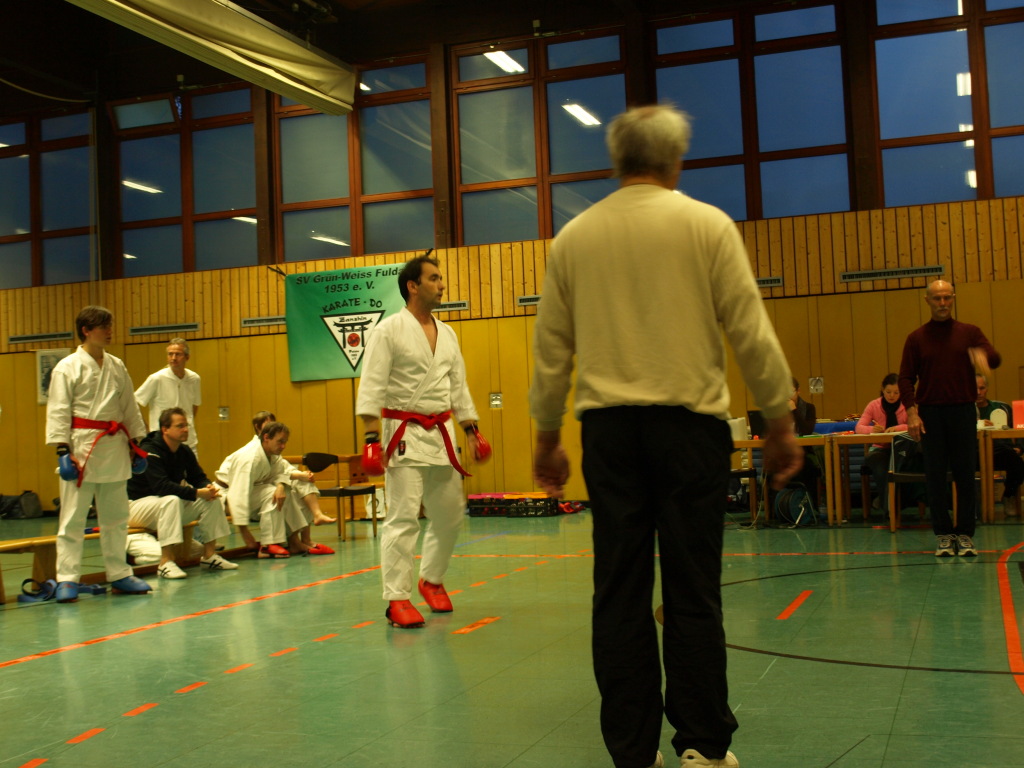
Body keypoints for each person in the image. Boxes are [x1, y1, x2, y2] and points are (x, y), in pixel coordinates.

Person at [529, 105, 802, 768]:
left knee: (618, 592)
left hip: (610, 434)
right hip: (690, 433)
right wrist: (778, 421)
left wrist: (546, 435)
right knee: (693, 590)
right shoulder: (706, 225)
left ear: (616, 160)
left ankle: (632, 751)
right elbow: (751, 332)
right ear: (675, 161)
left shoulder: (575, 238)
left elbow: (552, 348)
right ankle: (703, 746)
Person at [355, 254, 491, 630]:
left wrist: (472, 429)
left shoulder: (448, 333)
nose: (441, 285)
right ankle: (397, 598)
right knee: (403, 518)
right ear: (412, 286)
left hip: (441, 433)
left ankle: (431, 579)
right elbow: (372, 386)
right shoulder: (388, 330)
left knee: (450, 514)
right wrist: (371, 439)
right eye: (434, 278)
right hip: (402, 432)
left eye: (440, 278)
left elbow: (457, 385)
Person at [44, 306, 153, 603]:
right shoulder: (67, 367)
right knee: (72, 519)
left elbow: (129, 406)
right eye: (103, 326)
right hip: (82, 448)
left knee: (117, 517)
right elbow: (58, 409)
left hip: (115, 445)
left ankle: (119, 573)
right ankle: (67, 578)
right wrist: (62, 450)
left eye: (109, 325)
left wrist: (137, 442)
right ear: (86, 330)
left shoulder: (117, 365)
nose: (109, 331)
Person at [898, 279, 1001, 557]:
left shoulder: (969, 333)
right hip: (930, 414)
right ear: (927, 301)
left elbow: (994, 359)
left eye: (947, 297)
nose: (943, 303)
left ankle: (965, 534)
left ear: (953, 298)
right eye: (937, 298)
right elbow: (906, 378)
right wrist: (912, 412)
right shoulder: (916, 338)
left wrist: (984, 357)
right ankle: (943, 534)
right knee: (934, 476)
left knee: (965, 474)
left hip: (963, 411)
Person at [127, 407, 238, 578]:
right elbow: (161, 487)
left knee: (212, 499)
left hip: (165, 505)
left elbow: (198, 477)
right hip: (136, 507)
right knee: (171, 500)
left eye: (186, 425)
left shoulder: (184, 451)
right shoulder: (150, 451)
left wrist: (208, 488)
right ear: (165, 429)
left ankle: (209, 555)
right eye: (180, 426)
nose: (186, 429)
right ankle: (166, 562)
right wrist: (197, 493)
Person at [215, 421, 318, 558]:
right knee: (271, 494)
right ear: (266, 437)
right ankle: (268, 545)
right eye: (280, 441)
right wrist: (246, 534)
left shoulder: (271, 453)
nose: (283, 446)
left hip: (251, 491)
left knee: (285, 491)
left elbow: (280, 473)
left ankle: (294, 541)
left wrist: (280, 486)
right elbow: (238, 494)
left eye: (285, 442)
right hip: (226, 497)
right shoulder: (250, 458)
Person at [250, 410, 337, 529]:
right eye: (268, 424)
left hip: (271, 489)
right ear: (257, 427)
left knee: (303, 482)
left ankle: (317, 516)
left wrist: (302, 475)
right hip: (258, 498)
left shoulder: (273, 449)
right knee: (292, 493)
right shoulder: (255, 451)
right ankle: (295, 536)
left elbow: (284, 469)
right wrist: (285, 483)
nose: (272, 427)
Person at [135, 338, 202, 456]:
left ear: (187, 357)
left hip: (188, 441)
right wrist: (146, 428)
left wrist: (185, 423)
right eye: (170, 354)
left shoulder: (194, 379)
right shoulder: (157, 378)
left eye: (178, 354)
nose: (173, 358)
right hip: (162, 442)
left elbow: (195, 405)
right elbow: (135, 402)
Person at [855, 373, 908, 518]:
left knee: (906, 465)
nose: (892, 396)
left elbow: (914, 425)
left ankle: (894, 504)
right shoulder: (874, 405)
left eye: (896, 392)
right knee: (880, 466)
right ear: (882, 390)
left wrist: (897, 428)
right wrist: (872, 429)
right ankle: (888, 509)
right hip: (879, 449)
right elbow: (859, 428)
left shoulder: (906, 405)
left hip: (901, 449)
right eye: (888, 392)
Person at [976, 374, 1022, 518]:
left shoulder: (1002, 407)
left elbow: (1018, 428)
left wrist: (1020, 447)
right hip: (974, 454)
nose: (978, 392)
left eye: (982, 388)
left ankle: (1009, 495)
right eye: (974, 388)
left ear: (987, 389)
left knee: (1017, 463)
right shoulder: (964, 411)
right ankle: (973, 503)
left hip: (1001, 453)